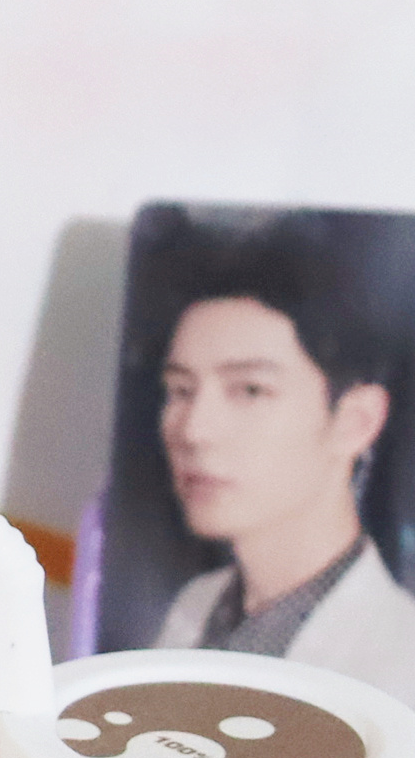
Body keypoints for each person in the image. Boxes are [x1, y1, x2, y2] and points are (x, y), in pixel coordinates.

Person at [152, 253, 415, 707]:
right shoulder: (195, 604)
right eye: (181, 390)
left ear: (356, 421)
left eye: (250, 389)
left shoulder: (400, 663)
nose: (194, 430)